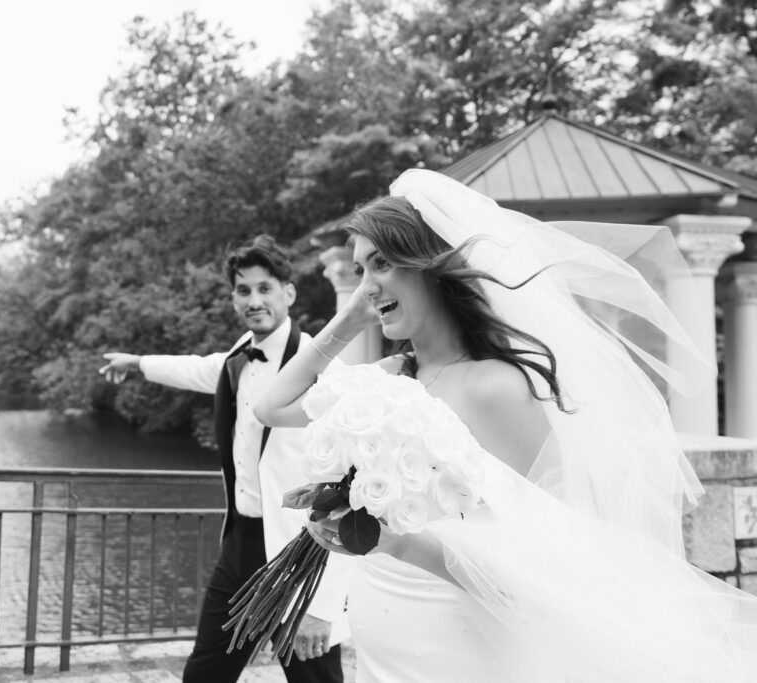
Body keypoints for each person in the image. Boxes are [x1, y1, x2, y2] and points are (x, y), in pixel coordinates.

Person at [254, 169, 757, 682]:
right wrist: (350, 320)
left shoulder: (497, 387)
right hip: (384, 642)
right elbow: (271, 406)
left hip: (460, 648)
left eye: (382, 263)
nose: (367, 285)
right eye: (360, 269)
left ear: (431, 267)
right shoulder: (390, 377)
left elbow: (549, 565)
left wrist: (397, 543)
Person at [98, 235, 349, 683]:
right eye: (243, 290)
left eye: (265, 288)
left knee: (316, 681)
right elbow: (196, 367)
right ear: (233, 297)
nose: (254, 300)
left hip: (296, 550)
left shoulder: (324, 366)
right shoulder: (237, 358)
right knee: (205, 672)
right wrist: (138, 362)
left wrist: (324, 604)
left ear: (288, 293)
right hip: (239, 543)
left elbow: (349, 490)